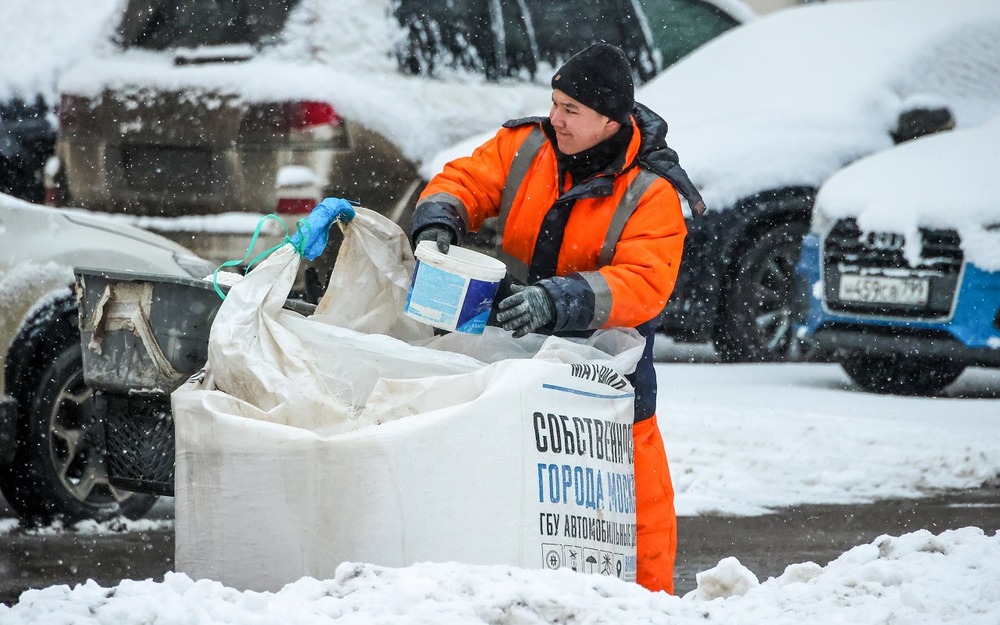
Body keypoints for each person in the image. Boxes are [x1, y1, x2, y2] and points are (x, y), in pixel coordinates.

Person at [410, 42, 704, 594]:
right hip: (512, 348)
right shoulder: (524, 146)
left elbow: (645, 281)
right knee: (502, 479)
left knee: (630, 497)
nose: (556, 119)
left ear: (608, 121)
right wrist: (439, 222)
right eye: (554, 103)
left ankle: (646, 604)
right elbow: (464, 181)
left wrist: (559, 300)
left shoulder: (653, 192)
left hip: (606, 368)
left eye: (571, 110)